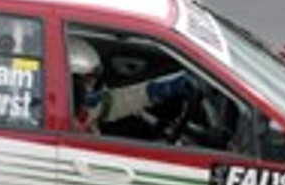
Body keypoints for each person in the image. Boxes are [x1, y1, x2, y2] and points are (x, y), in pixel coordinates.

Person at [69, 36, 198, 135]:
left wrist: (153, 91)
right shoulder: (59, 117)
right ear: (71, 81)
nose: (91, 86)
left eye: (92, 79)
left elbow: (114, 103)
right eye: (86, 80)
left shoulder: (83, 107)